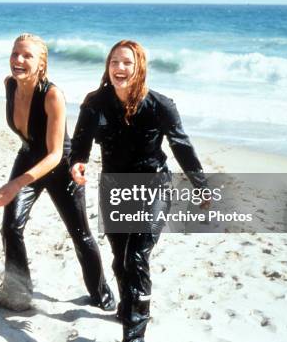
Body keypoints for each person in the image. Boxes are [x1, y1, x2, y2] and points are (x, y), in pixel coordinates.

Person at [69, 40, 210, 342]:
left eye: (127, 63)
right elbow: (79, 144)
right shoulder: (95, 103)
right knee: (120, 260)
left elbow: (182, 147)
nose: (120, 68)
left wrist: (201, 185)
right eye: (114, 62)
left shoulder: (160, 105)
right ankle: (128, 306)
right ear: (107, 66)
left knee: (136, 256)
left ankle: (134, 334)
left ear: (139, 67)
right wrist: (77, 164)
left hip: (154, 187)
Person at [0, 33, 115, 311]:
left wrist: (15, 184)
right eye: (15, 54)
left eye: (27, 56)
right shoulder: (9, 85)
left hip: (60, 166)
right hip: (28, 156)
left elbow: (55, 154)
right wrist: (20, 181)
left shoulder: (52, 95)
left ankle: (101, 295)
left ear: (41, 64)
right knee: (10, 227)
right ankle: (19, 292)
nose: (18, 60)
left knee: (80, 233)